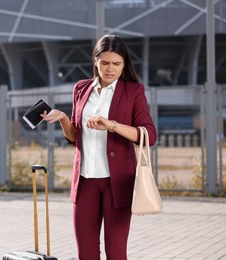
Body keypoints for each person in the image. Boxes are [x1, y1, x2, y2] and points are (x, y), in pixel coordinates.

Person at [41, 35, 157, 260]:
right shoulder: (81, 89)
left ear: (124, 64)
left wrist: (111, 125)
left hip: (117, 183)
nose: (110, 69)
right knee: (86, 253)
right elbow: (75, 137)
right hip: (85, 182)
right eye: (105, 63)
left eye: (116, 64)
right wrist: (64, 118)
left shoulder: (133, 91)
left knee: (115, 253)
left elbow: (149, 135)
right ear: (95, 61)